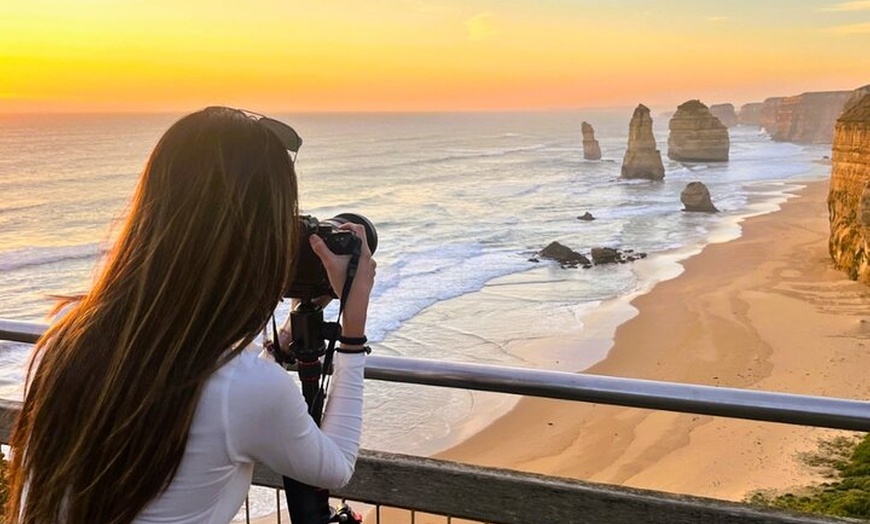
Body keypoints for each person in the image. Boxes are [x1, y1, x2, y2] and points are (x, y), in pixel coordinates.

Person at [5, 106, 376, 524]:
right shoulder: (246, 387)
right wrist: (353, 328)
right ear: (256, 237)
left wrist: (274, 348)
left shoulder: (68, 337)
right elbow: (336, 465)